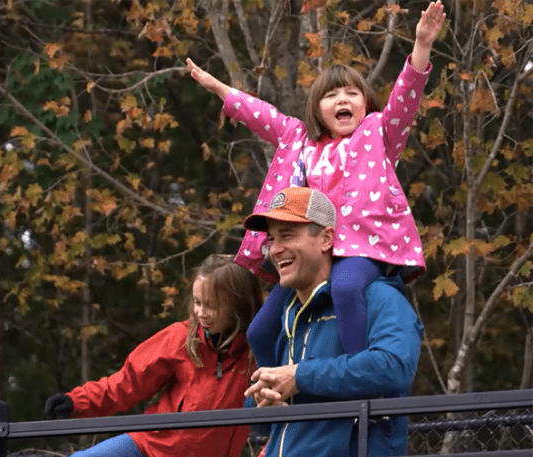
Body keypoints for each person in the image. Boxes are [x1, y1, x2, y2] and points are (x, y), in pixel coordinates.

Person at [187, 1, 445, 357]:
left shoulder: (377, 134)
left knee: (345, 289)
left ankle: (356, 378)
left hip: (359, 247)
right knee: (261, 330)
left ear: (365, 104)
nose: (343, 99)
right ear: (317, 110)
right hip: (309, 252)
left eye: (352, 93)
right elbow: (262, 115)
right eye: (332, 94)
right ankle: (270, 398)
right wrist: (220, 89)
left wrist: (422, 46)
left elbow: (404, 100)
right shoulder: (299, 140)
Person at [242, 186, 423, 457]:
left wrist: (300, 375)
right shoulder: (284, 316)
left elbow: (395, 366)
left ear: (326, 238)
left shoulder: (378, 298)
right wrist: (259, 400)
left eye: (287, 235)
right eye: (272, 239)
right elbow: (267, 419)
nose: (275, 249)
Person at [43, 254, 263, 457]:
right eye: (197, 302)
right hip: (147, 446)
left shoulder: (257, 355)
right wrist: (77, 402)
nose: (201, 313)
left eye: (211, 306)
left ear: (238, 306)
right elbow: (128, 383)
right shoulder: (182, 338)